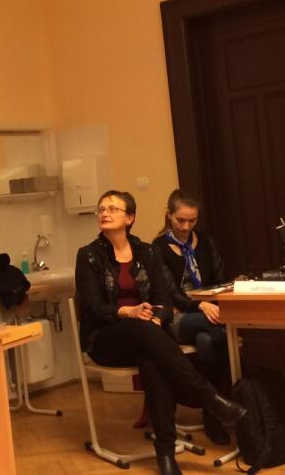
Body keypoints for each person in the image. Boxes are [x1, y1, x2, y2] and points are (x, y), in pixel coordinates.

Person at [75, 190, 245, 475]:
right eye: (102, 208)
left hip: (147, 334)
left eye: (113, 208)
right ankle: (209, 397)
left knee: (152, 360)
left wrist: (156, 319)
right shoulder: (88, 255)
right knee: (144, 333)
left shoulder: (146, 252)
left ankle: (166, 454)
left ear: (130, 218)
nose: (105, 213)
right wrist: (127, 312)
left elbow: (164, 301)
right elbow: (93, 306)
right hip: (106, 338)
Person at [153, 189, 231, 444]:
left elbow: (220, 278)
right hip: (180, 315)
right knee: (220, 331)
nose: (186, 226)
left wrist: (212, 302)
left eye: (192, 221)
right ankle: (220, 407)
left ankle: (211, 411)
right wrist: (200, 306)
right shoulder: (158, 248)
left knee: (207, 340)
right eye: (180, 220)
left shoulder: (205, 241)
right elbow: (170, 293)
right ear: (169, 215)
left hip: (209, 313)